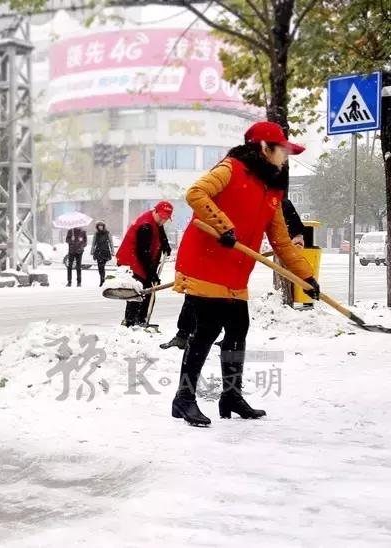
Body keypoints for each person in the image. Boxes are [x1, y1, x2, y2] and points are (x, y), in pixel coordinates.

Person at [169, 121, 319, 426]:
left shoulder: (272, 189)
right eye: (282, 151)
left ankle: (231, 396)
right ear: (264, 148)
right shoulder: (231, 168)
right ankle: (183, 398)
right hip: (204, 263)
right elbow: (196, 193)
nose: (285, 157)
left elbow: (281, 241)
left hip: (236, 271)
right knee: (207, 330)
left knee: (238, 329)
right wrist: (224, 226)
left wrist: (306, 277)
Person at [159, 196, 306, 350]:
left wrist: (297, 235)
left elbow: (280, 205)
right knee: (196, 295)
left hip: (237, 255)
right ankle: (184, 335)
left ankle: (229, 339)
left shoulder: (264, 194)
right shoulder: (225, 191)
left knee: (232, 300)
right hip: (211, 249)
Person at [116, 201, 173, 327]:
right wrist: (152, 274)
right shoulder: (145, 225)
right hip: (132, 261)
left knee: (146, 292)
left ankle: (139, 321)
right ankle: (132, 323)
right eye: (161, 217)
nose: (163, 221)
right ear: (155, 211)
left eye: (166, 219)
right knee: (138, 292)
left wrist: (164, 242)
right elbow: (142, 253)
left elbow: (159, 228)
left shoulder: (154, 220)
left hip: (138, 259)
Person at [91, 221, 114, 286]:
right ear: (97, 227)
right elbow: (93, 243)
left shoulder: (107, 233)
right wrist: (92, 250)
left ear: (103, 226)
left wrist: (112, 251)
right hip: (98, 251)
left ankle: (102, 279)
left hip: (105, 251)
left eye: (101, 226)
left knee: (102, 266)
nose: (100, 227)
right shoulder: (96, 233)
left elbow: (111, 242)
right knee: (100, 267)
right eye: (99, 226)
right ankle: (102, 279)